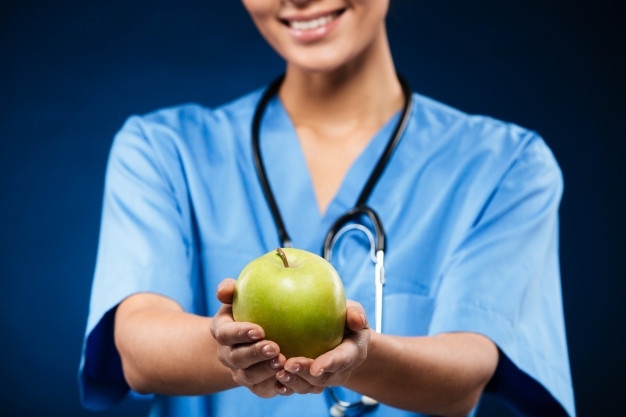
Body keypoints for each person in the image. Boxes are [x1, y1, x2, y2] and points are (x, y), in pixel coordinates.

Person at [79, 1, 575, 416]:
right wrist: (228, 349)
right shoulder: (164, 149)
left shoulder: (507, 165)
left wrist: (364, 357)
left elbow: (466, 373)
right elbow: (136, 345)